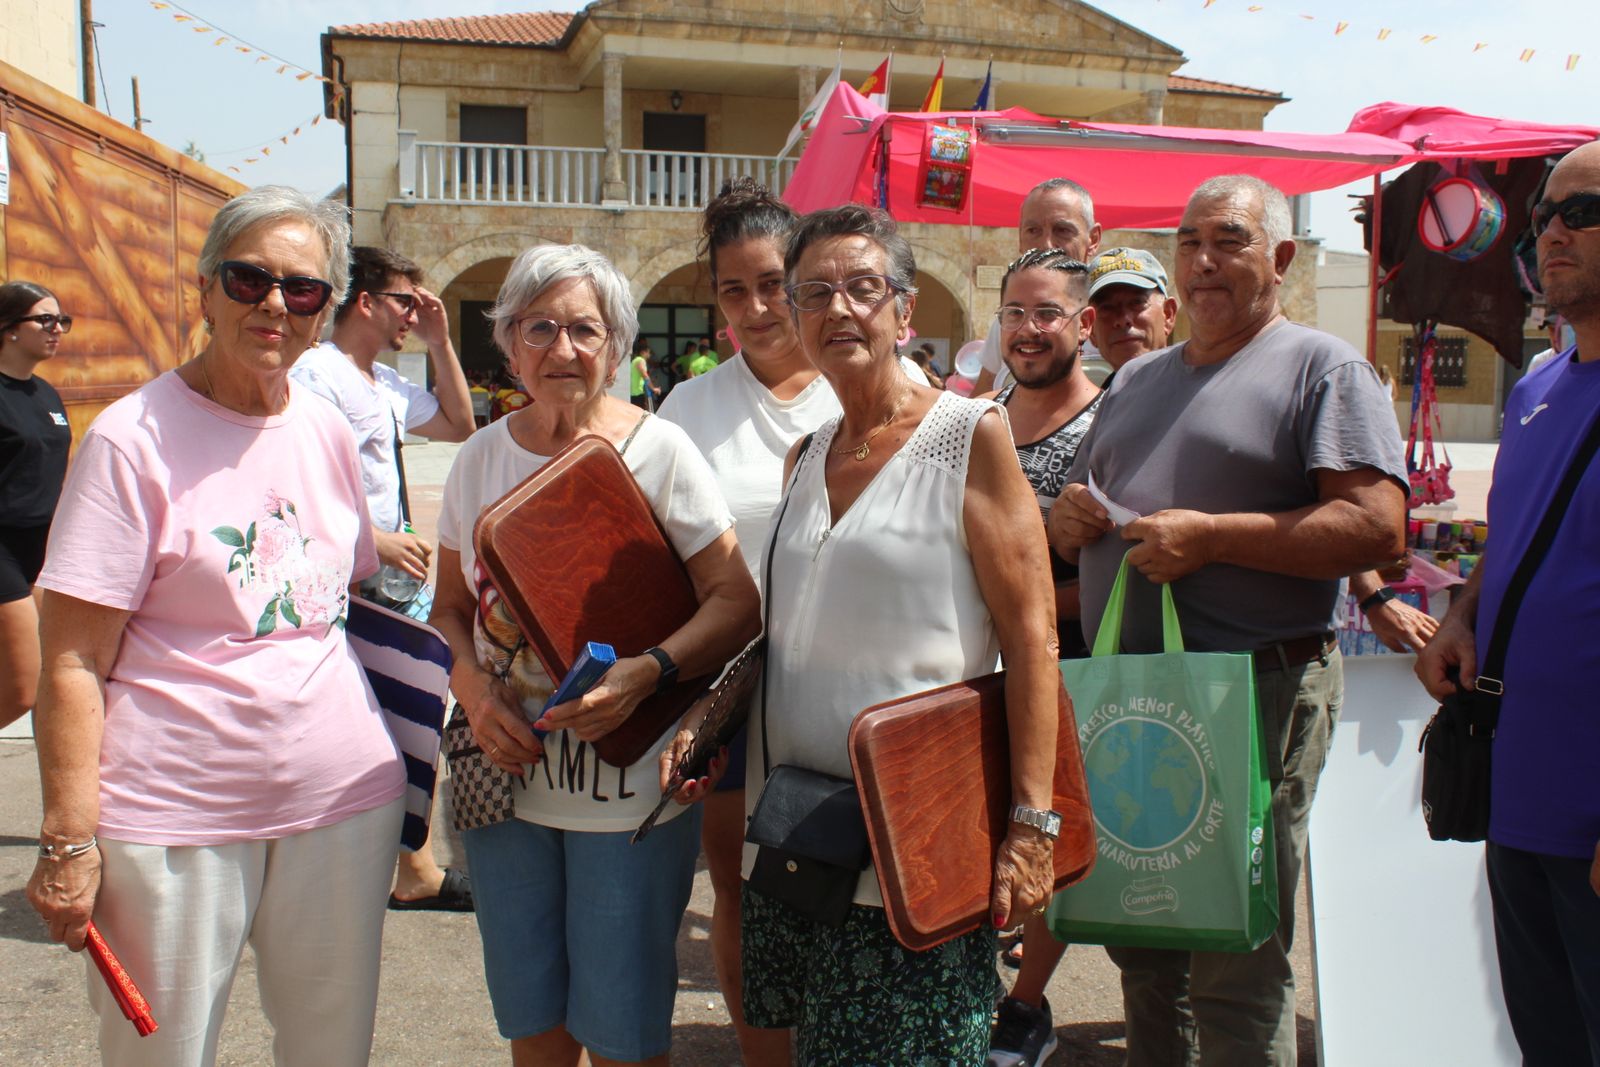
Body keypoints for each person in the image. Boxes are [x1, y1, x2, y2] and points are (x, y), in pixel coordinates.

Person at [25, 186, 406, 1067]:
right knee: (162, 1054)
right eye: (249, 278)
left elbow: (334, 601)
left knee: (331, 1049)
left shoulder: (326, 431)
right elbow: (74, 658)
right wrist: (68, 838)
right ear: (204, 288)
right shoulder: (131, 439)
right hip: (174, 813)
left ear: (324, 311)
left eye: (303, 289)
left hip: (341, 799)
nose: (275, 303)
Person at [1050, 175, 1407, 1066]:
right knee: (1144, 945)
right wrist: (1068, 520)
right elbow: (1082, 503)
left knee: (1234, 954)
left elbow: (1377, 526)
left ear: (1280, 258)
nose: (1204, 262)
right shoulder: (1134, 379)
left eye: (1230, 241)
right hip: (1137, 704)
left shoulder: (1324, 368)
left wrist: (1216, 539)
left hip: (1257, 691)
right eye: (1190, 241)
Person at [734, 203, 1060, 1063]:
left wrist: (1032, 825)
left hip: (915, 842)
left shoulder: (969, 436)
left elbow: (1032, 637)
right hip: (803, 833)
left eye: (863, 288)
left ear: (904, 313)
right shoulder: (804, 455)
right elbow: (789, 628)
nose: (839, 308)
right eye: (816, 293)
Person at [429, 242, 760, 1067]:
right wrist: (473, 691)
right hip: (504, 784)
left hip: (631, 788)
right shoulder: (480, 458)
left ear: (618, 347)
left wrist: (650, 668)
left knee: (621, 1031)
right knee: (532, 1022)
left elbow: (735, 603)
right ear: (508, 343)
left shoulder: (659, 452)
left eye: (585, 328)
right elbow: (447, 610)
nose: (563, 349)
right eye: (539, 327)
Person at [1416, 140, 1600, 1067]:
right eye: (1543, 216)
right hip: (1520, 797)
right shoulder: (1535, 388)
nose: (1553, 232)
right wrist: (1461, 616)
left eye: (1583, 212)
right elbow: (1515, 536)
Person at [291, 245, 475, 911]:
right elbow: (299, 483)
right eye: (405, 301)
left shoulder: (382, 382)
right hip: (351, 575)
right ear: (363, 301)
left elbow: (460, 423)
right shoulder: (318, 375)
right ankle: (395, 867)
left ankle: (409, 865)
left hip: (388, 576)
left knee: (406, 714)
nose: (414, 313)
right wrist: (371, 539)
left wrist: (440, 341)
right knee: (366, 719)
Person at [980, 248, 1101, 1067]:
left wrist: (1018, 619)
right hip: (978, 664)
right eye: (1016, 313)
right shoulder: (980, 416)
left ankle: (1025, 1007)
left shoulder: (1109, 427)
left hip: (1069, 663)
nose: (1028, 330)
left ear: (1083, 324)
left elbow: (1110, 577)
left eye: (1047, 313)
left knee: (1049, 832)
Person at [0, 282, 72, 730]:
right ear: (8, 329)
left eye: (62, 321)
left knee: (55, 678)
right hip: (2, 548)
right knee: (23, 689)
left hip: (44, 551)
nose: (57, 329)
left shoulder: (46, 393)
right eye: (45, 320)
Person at [971, 178, 1103, 396]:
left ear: (1093, 239)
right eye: (1034, 230)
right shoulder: (1009, 323)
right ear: (1020, 239)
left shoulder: (1114, 318)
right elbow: (980, 397)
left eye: (1062, 230)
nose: (1047, 245)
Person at [631, 340, 661, 410]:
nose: (649, 355)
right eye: (648, 352)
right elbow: (645, 375)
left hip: (636, 392)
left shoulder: (635, 360)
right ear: (643, 352)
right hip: (637, 392)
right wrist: (653, 388)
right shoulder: (640, 360)